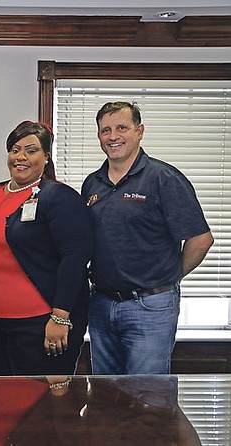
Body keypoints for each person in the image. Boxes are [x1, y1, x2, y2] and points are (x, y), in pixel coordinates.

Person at [82, 101, 214, 375]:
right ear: (99, 137)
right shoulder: (92, 184)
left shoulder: (164, 178)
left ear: (139, 131)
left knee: (147, 399)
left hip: (150, 306)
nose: (113, 136)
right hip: (101, 304)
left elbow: (201, 239)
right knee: (105, 397)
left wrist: (170, 276)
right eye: (105, 130)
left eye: (122, 127)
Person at [0, 120, 92, 375]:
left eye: (31, 150)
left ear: (46, 156)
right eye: (15, 149)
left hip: (40, 323)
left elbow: (74, 258)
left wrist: (60, 317)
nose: (21, 157)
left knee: (42, 408)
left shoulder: (59, 197)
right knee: (2, 403)